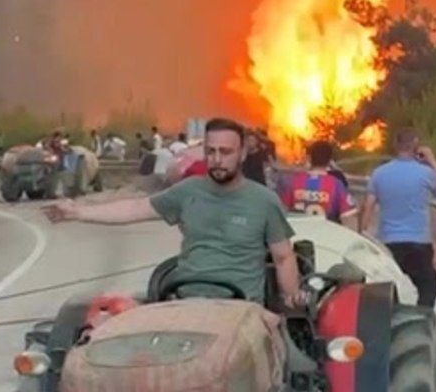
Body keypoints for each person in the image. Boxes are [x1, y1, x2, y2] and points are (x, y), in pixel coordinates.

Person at [42, 117, 306, 307]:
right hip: (185, 302)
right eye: (210, 151)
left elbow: (283, 258)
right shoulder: (187, 191)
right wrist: (77, 212)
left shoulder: (264, 201)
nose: (216, 159)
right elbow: (135, 208)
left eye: (225, 152)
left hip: (241, 310)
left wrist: (291, 296)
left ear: (243, 154)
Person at [361, 128, 436, 308]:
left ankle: (393, 319)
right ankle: (422, 321)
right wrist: (430, 159)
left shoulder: (380, 173)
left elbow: (368, 206)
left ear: (395, 146)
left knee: (388, 288)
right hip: (419, 242)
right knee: (427, 287)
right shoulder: (425, 173)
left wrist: (362, 232)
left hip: (388, 242)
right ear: (416, 146)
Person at [276, 139, 357, 227]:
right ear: (329, 160)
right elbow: (348, 217)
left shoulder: (293, 182)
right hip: (327, 236)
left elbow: (282, 213)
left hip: (300, 235)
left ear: (310, 158)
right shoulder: (336, 185)